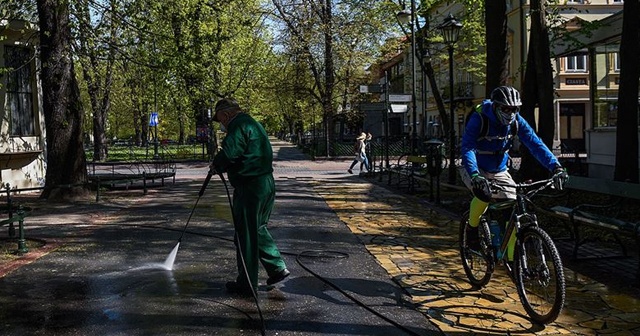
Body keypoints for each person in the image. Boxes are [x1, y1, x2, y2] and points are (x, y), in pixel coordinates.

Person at [460, 86, 568, 261]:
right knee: (483, 195)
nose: (510, 113)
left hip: (499, 169)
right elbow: (468, 147)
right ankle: (472, 229)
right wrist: (474, 175)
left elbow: (535, 143)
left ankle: (511, 259)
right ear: (496, 106)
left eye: (514, 109)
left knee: (512, 205)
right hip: (474, 167)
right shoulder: (480, 119)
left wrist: (555, 167)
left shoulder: (516, 122)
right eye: (505, 109)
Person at [209, 97, 290, 296]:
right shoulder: (253, 123)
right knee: (257, 228)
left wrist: (216, 165)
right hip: (265, 183)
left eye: (219, 119)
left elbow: (229, 153)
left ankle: (247, 283)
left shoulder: (238, 125)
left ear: (226, 114)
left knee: (246, 234)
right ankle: (277, 268)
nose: (220, 124)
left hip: (250, 186)